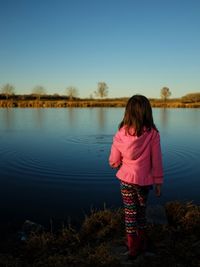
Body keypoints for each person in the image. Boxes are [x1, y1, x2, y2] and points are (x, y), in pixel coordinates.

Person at [109, 95, 163, 259]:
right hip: (144, 182)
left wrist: (117, 165)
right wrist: (158, 181)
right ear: (148, 112)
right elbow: (157, 159)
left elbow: (113, 160)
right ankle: (143, 242)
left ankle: (133, 247)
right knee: (141, 212)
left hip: (126, 180)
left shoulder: (121, 133)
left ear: (128, 112)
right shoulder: (153, 134)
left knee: (129, 213)